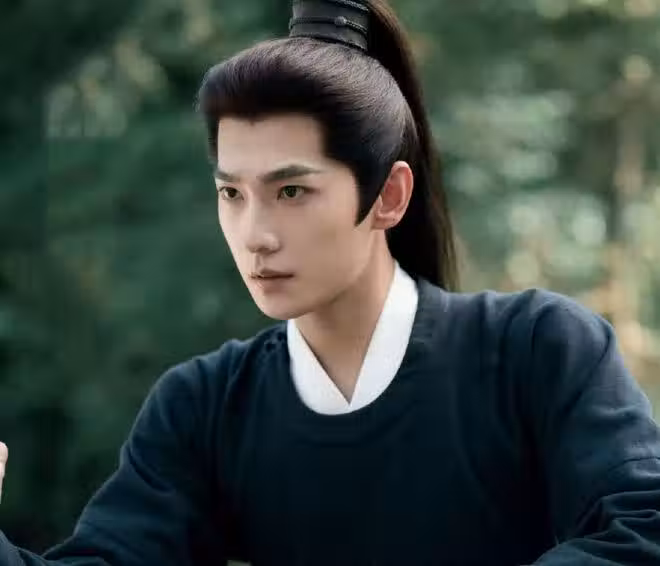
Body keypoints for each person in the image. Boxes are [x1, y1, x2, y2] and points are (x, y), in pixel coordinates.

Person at [2, 0, 660, 564]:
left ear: (389, 195)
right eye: (232, 194)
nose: (255, 234)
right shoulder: (204, 409)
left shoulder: (537, 349)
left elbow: (643, 528)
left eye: (291, 191)